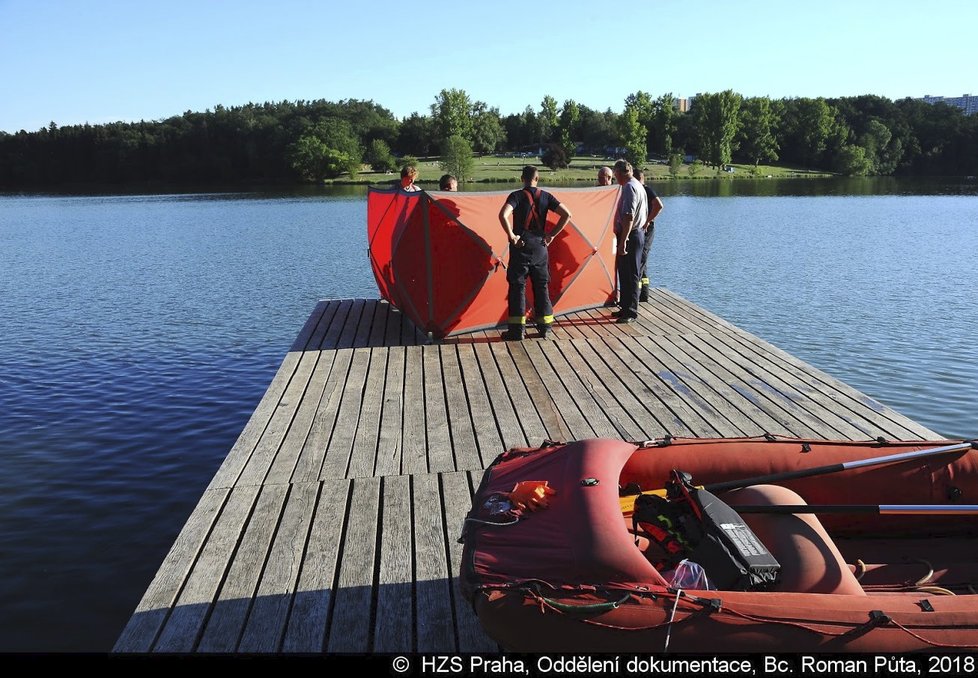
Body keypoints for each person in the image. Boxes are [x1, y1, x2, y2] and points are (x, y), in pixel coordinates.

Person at [498, 166, 572, 341]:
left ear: (522, 178)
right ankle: (545, 327)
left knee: (518, 287)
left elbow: (502, 215)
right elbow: (567, 214)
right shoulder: (546, 196)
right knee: (541, 286)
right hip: (540, 246)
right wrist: (552, 235)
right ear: (537, 179)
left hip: (521, 246)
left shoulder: (516, 196)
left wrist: (512, 236)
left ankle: (517, 331)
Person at [611, 159, 648, 324]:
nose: (614, 178)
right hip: (635, 233)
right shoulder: (637, 185)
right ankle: (625, 307)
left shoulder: (629, 188)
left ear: (619, 173)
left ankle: (631, 311)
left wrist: (623, 240)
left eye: (615, 174)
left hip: (631, 235)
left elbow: (628, 216)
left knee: (630, 273)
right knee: (624, 273)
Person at [634, 169, 664, 302]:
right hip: (640, 228)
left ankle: (636, 293)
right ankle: (644, 295)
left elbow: (659, 205)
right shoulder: (638, 190)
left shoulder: (646, 190)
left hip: (646, 228)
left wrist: (647, 221)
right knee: (643, 261)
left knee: (641, 258)